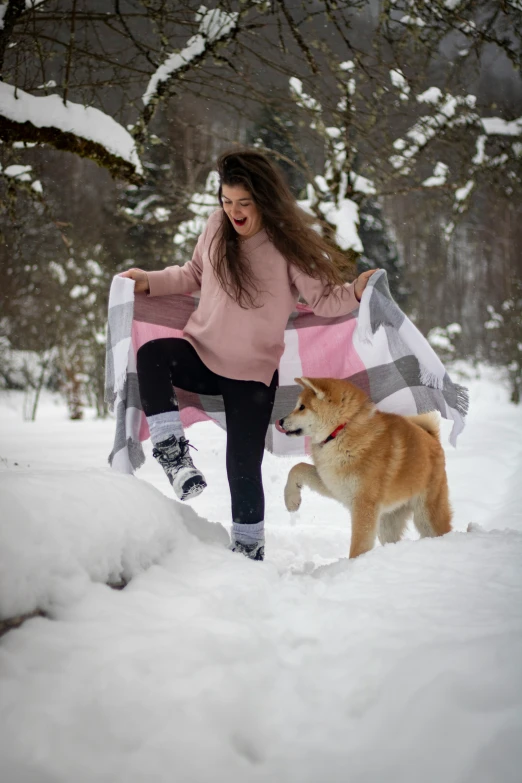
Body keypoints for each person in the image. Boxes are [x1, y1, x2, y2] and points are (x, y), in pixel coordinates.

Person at [121, 148, 377, 561]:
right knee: (152, 354)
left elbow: (325, 299)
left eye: (243, 203)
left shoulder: (285, 244)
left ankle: (249, 548)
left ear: (263, 200)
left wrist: (357, 292)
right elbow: (193, 274)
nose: (233, 212)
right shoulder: (215, 226)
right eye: (226, 201)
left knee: (243, 465)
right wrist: (147, 281)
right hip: (200, 354)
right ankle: (174, 456)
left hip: (252, 375)